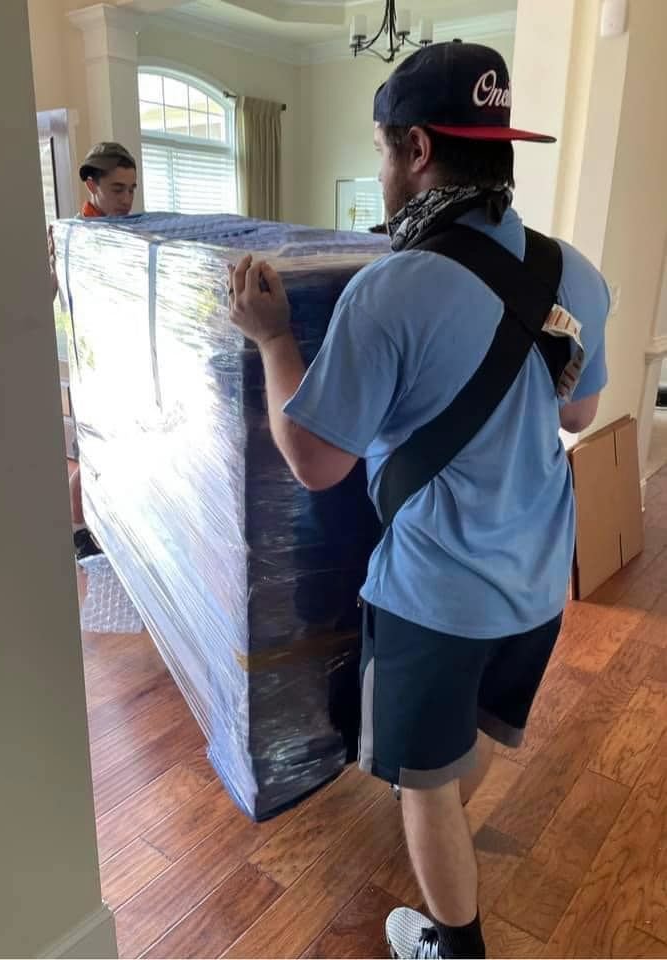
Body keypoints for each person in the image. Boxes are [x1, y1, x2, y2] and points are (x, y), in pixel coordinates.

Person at [227, 41, 608, 960]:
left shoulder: (390, 289)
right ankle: (438, 831)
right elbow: (579, 411)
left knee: (426, 782)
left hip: (439, 595)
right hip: (538, 576)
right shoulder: (576, 272)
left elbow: (314, 462)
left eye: (381, 149)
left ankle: (455, 943)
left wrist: (274, 338)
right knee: (459, 742)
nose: (381, 170)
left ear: (419, 148)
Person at [49, 142, 137, 560]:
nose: (127, 199)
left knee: (119, 454)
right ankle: (79, 530)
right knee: (93, 457)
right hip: (93, 366)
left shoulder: (125, 235)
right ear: (92, 185)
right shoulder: (74, 239)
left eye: (131, 189)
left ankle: (106, 525)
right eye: (118, 189)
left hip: (124, 361)